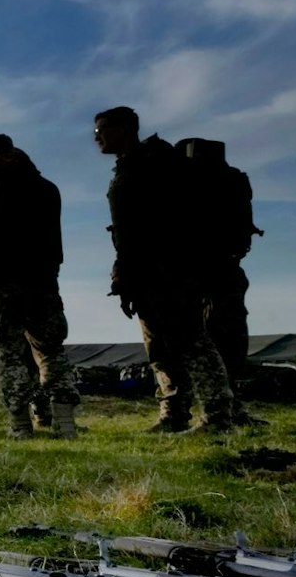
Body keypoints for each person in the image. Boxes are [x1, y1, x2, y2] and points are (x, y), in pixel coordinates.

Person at [94, 108, 240, 434]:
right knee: (158, 345)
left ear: (126, 129)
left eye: (102, 129)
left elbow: (165, 224)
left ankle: (218, 418)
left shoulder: (156, 163)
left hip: (171, 271)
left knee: (192, 342)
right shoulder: (131, 165)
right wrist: (125, 272)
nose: (96, 137)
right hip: (144, 272)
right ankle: (173, 413)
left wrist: (167, 266)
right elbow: (128, 232)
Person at [0, 135, 79, 438]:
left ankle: (20, 426)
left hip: (1, 284)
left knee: (9, 355)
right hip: (43, 283)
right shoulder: (48, 189)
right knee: (51, 352)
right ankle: (65, 424)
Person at [181, 138, 260, 382]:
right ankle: (226, 389)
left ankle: (219, 391)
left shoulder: (202, 185)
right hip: (224, 266)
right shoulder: (234, 181)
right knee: (225, 329)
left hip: (208, 268)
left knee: (213, 330)